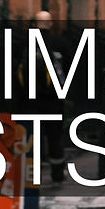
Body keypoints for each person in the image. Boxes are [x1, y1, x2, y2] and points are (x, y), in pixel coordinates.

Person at [18, 10, 69, 183]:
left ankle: (32, 174)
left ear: (34, 24)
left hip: (28, 99)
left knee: (32, 136)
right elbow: (69, 68)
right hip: (53, 99)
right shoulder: (59, 42)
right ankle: (57, 174)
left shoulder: (24, 42)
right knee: (54, 135)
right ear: (50, 24)